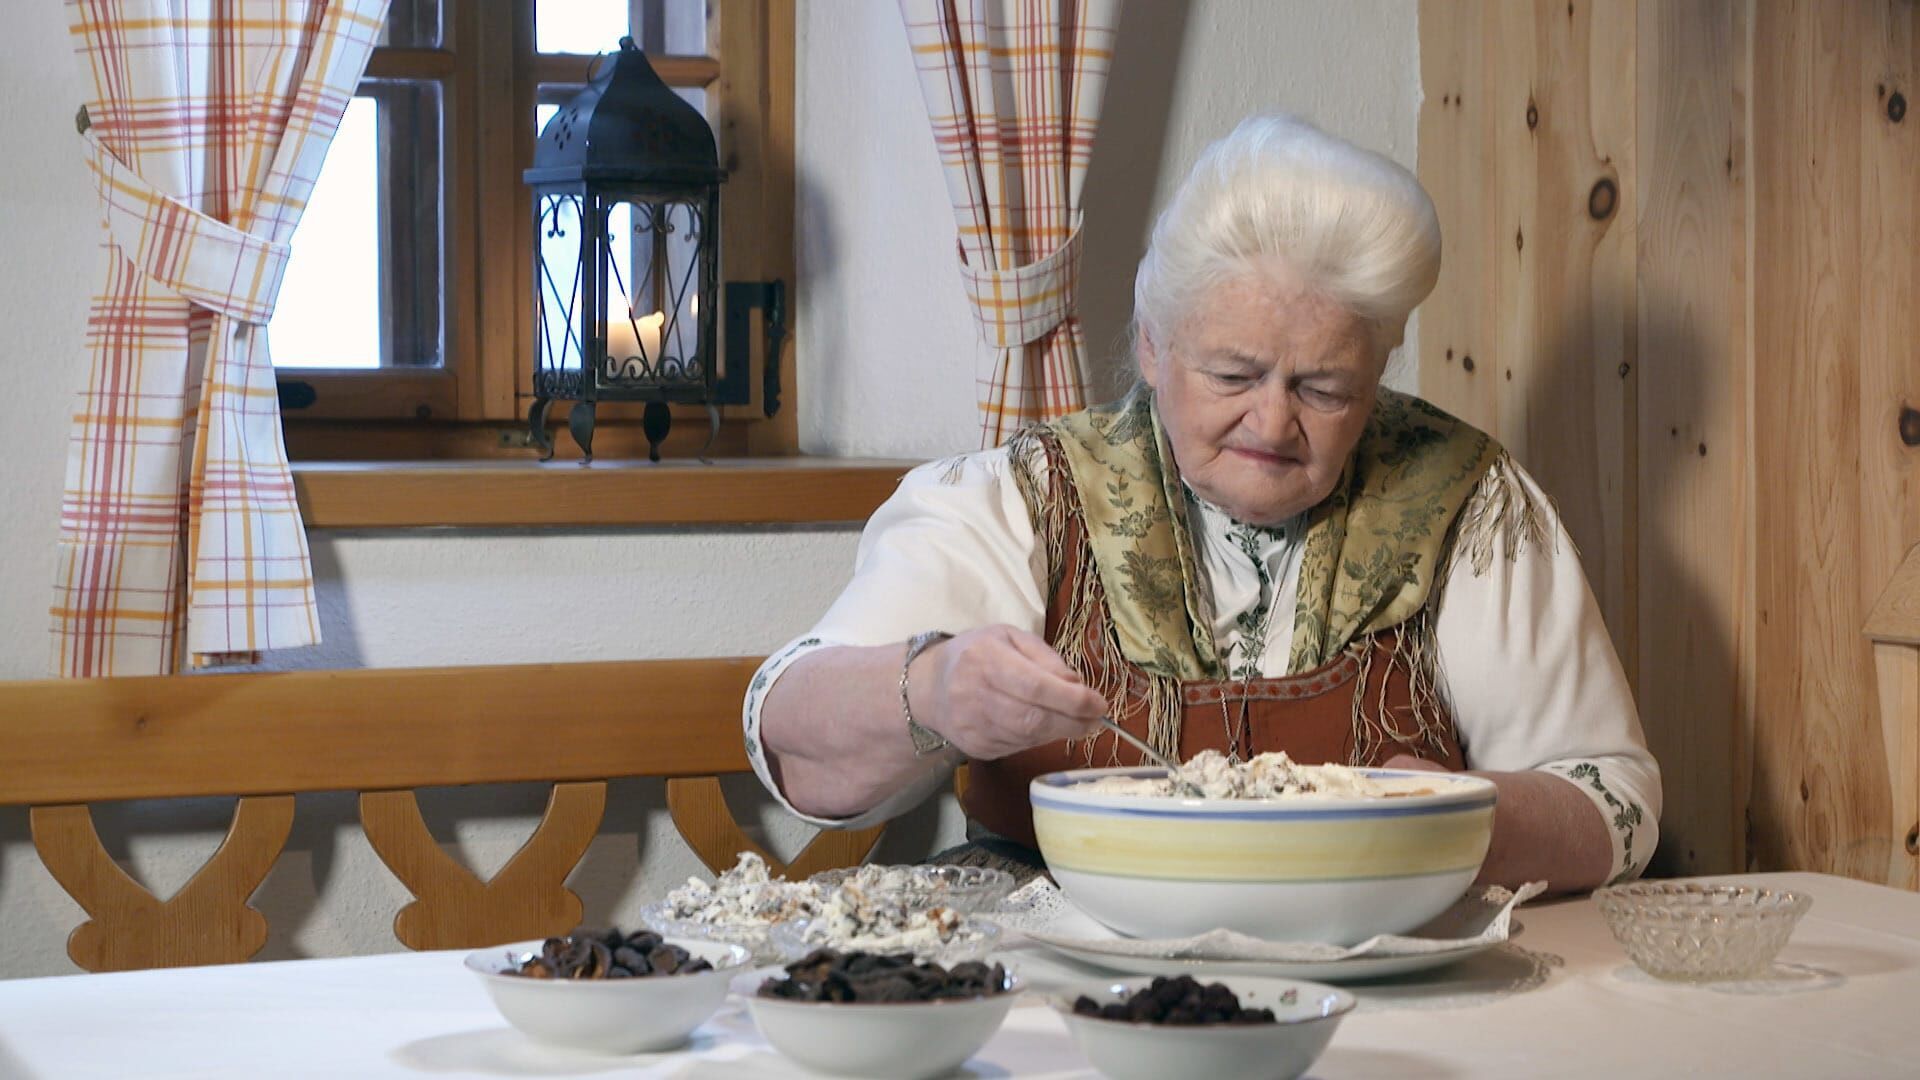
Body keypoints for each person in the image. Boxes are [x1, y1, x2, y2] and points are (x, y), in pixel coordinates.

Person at [744, 114, 1660, 895]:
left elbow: (1614, 799)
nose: (1274, 421)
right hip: (1062, 976)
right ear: (1152, 345)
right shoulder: (1024, 498)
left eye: (1326, 388)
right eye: (1233, 374)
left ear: (1378, 369)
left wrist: (1460, 821)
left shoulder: (1467, 501)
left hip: (1381, 980)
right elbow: (792, 743)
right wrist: (932, 689)